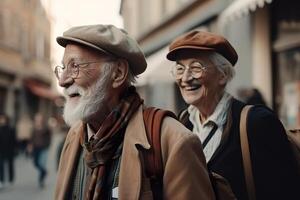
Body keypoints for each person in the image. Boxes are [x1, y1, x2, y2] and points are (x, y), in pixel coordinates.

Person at [54, 24, 215, 200]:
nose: (62, 81)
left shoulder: (174, 141)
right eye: (63, 68)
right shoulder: (75, 136)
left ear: (118, 73)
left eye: (75, 66)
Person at [166, 30, 300, 200]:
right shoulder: (182, 124)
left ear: (222, 75)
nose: (185, 78)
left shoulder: (257, 123)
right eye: (179, 68)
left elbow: (286, 191)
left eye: (196, 68)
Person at [28, 113, 51, 188]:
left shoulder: (46, 128)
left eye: (39, 118)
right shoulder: (34, 128)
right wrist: (30, 145)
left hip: (43, 148)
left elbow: (49, 138)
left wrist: (47, 145)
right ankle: (44, 171)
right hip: (35, 148)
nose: (38, 120)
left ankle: (41, 181)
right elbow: (31, 137)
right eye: (37, 119)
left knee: (41, 163)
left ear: (42, 119)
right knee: (35, 163)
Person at [0, 114, 16, 188]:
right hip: (1, 150)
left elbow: (14, 140)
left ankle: (11, 179)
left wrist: (15, 149)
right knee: (1, 165)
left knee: (10, 165)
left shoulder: (11, 129)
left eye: (3, 119)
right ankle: (2, 180)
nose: (1, 120)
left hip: (10, 149)